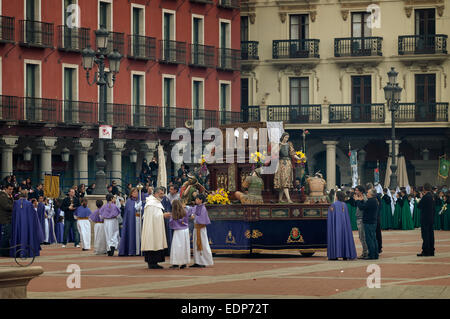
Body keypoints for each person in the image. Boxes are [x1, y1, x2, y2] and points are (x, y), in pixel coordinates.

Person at [141, 187, 171, 269]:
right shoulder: (151, 203)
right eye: (161, 193)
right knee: (152, 243)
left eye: (163, 193)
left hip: (156, 228)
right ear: (156, 193)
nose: (163, 195)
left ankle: (155, 262)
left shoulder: (156, 202)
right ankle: (152, 263)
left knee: (156, 243)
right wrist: (163, 215)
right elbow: (153, 217)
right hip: (152, 229)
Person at [10, 189, 43, 258]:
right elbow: (33, 215)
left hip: (18, 225)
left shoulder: (16, 203)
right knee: (27, 235)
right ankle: (27, 252)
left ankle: (17, 252)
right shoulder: (29, 203)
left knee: (18, 235)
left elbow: (13, 215)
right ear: (27, 196)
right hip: (27, 225)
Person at [327, 191, 357, 260]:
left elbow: (330, 217)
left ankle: (335, 255)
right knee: (344, 237)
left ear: (336, 196)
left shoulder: (333, 205)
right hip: (344, 226)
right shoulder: (344, 205)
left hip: (335, 227)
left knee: (336, 237)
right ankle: (345, 254)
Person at [274, 132, 301, 203]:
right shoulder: (278, 144)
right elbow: (275, 153)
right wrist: (279, 146)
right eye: (285, 137)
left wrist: (299, 158)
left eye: (287, 138)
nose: (286, 139)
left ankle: (280, 199)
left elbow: (292, 153)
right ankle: (288, 199)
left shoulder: (289, 144)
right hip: (281, 163)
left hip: (288, 163)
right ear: (282, 137)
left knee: (286, 179)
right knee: (283, 179)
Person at [189, 194, 213, 268]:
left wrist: (194, 216)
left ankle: (203, 261)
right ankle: (197, 261)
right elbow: (191, 211)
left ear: (201, 200)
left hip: (201, 229)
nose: (196, 200)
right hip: (196, 229)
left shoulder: (203, 208)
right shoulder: (196, 207)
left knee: (202, 244)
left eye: (197, 199)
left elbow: (201, 219)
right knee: (196, 245)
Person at [356, 189, 379, 260]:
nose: (367, 194)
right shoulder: (374, 201)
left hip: (369, 222)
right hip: (373, 221)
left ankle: (371, 255)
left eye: (368, 193)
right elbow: (365, 206)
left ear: (371, 194)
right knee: (373, 238)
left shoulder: (371, 201)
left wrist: (357, 200)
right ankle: (375, 254)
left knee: (369, 239)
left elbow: (362, 207)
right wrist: (362, 201)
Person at [119, 187, 143, 256]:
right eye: (134, 192)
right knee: (132, 234)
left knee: (139, 235)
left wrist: (141, 208)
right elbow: (129, 211)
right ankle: (132, 250)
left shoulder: (140, 200)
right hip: (132, 221)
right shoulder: (129, 201)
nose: (136, 193)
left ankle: (139, 250)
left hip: (138, 220)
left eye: (137, 192)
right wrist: (135, 208)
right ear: (131, 193)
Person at [169, 199, 190, 269]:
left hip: (178, 231)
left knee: (176, 247)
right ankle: (184, 262)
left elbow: (171, 223)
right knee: (185, 247)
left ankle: (176, 263)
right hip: (185, 230)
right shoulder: (185, 212)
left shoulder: (174, 214)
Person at [417, 183, 436, 256]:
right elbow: (434, 209)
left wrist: (421, 197)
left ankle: (426, 251)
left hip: (425, 219)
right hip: (431, 218)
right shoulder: (432, 196)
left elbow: (419, 206)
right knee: (431, 235)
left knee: (425, 235)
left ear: (424, 189)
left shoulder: (425, 197)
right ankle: (431, 250)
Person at [0, 183, 14, 256]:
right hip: (4, 220)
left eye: (12, 189)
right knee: (5, 237)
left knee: (7, 236)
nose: (11, 191)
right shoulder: (2, 196)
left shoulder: (8, 196)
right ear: (5, 189)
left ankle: (5, 251)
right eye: (9, 189)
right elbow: (6, 206)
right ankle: (3, 253)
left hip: (8, 219)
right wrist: (14, 206)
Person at [354, 185, 368, 259]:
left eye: (357, 190)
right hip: (359, 218)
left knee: (362, 236)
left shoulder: (364, 198)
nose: (355, 192)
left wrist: (358, 200)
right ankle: (365, 251)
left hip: (362, 219)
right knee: (361, 236)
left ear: (361, 191)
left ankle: (365, 252)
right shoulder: (359, 197)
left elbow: (362, 207)